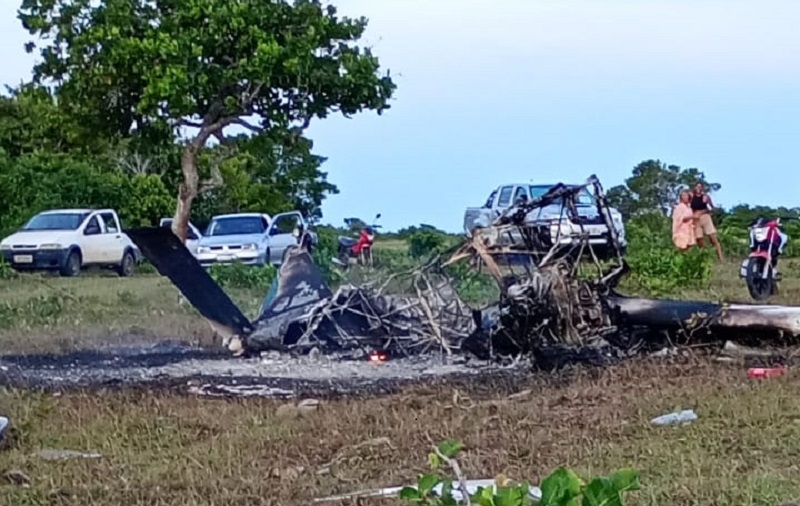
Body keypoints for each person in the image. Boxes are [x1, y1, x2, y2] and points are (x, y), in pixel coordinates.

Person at [690, 182, 723, 260]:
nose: (698, 188)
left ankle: (720, 257)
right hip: (695, 219)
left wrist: (704, 211)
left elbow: (712, 208)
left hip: (705, 218)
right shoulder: (691, 197)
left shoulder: (706, 197)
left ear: (702, 188)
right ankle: (704, 257)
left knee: (713, 238)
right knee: (699, 239)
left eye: (700, 187)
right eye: (697, 186)